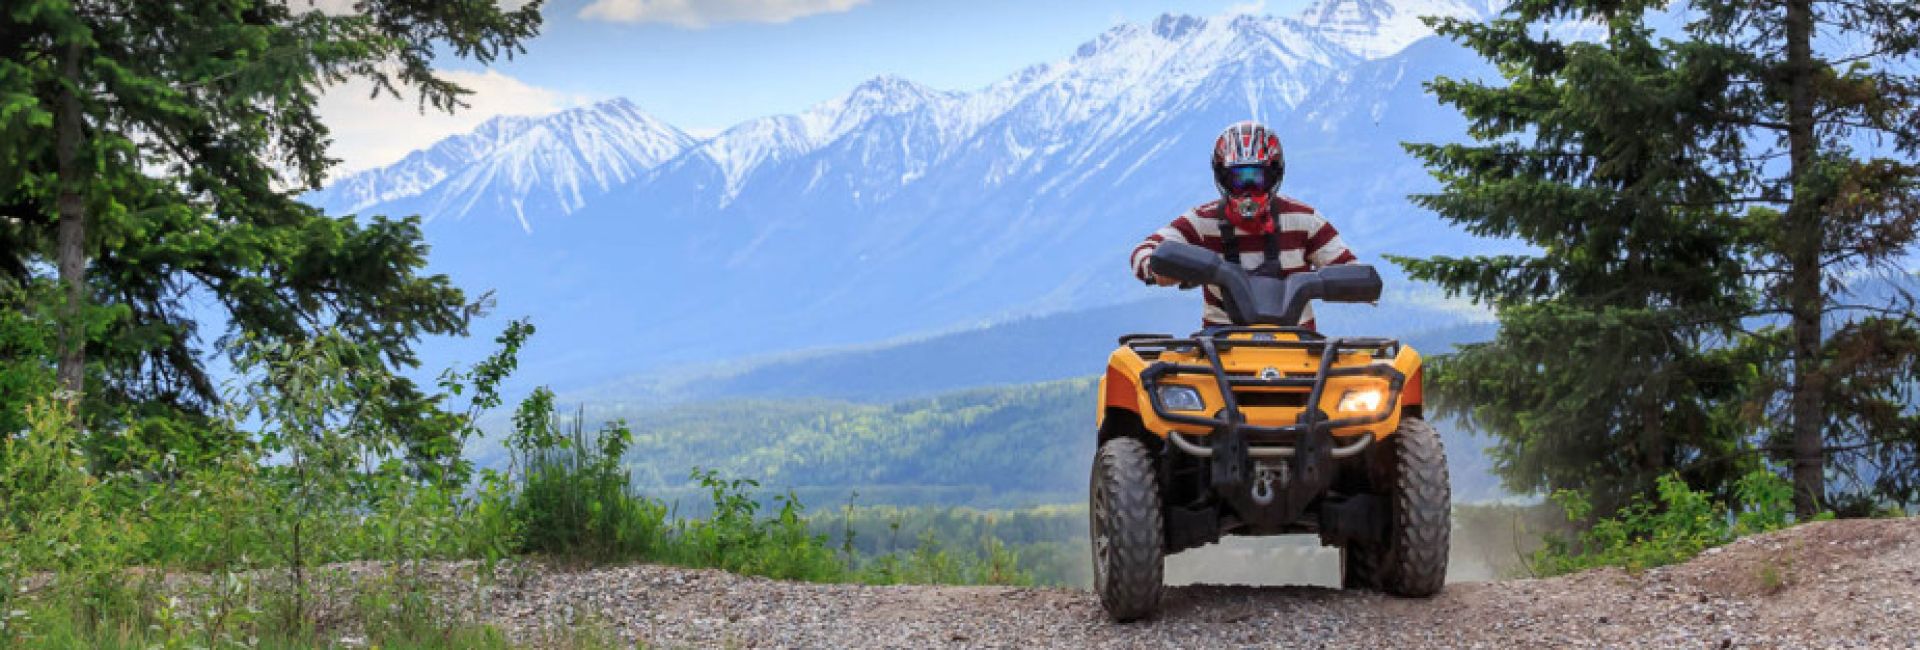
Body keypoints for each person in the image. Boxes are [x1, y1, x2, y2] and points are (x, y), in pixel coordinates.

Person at [1130, 120, 1357, 329]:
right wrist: (1156, 268)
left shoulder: (1304, 220)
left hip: (1299, 346)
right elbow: (1144, 249)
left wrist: (1344, 283)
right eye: (1238, 179)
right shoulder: (1202, 221)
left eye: (1257, 178)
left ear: (1274, 176)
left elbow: (1349, 268)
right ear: (1222, 178)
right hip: (1220, 346)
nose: (1248, 189)